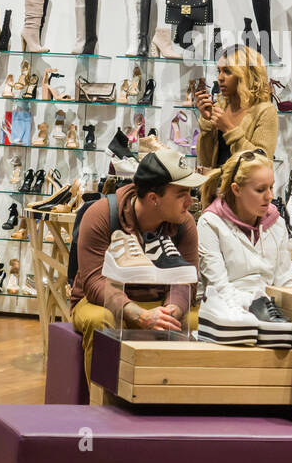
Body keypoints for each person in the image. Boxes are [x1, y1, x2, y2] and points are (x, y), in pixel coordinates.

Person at [70, 149, 207, 379]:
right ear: (154, 198)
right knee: (99, 321)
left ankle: (176, 404)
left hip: (159, 302)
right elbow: (94, 282)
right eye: (181, 194)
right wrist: (137, 314)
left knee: (197, 320)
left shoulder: (184, 224)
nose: (190, 201)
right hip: (102, 302)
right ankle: (101, 404)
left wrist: (172, 310)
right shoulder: (102, 215)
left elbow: (186, 282)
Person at [196, 148, 292, 308]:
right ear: (236, 189)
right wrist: (264, 307)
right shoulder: (210, 223)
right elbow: (219, 288)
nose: (269, 196)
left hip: (270, 314)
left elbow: (285, 282)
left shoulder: (277, 223)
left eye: (271, 187)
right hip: (225, 315)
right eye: (260, 190)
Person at [193, 44, 277, 170]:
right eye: (219, 71)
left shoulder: (264, 111)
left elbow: (262, 163)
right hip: (216, 187)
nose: (220, 78)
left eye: (227, 71)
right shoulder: (220, 106)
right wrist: (207, 124)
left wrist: (229, 130)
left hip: (245, 188)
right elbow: (206, 161)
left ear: (245, 74)